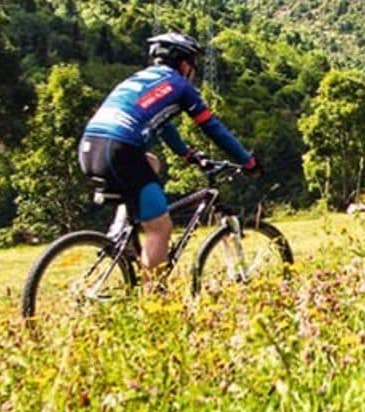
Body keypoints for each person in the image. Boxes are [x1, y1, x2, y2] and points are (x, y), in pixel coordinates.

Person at [79, 32, 260, 271]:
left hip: (89, 148)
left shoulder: (139, 80)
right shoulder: (180, 85)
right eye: (193, 64)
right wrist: (247, 161)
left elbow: (162, 124)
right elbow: (213, 128)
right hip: (121, 151)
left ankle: (121, 229)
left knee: (151, 163)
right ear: (185, 64)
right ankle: (152, 300)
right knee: (161, 228)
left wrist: (186, 153)